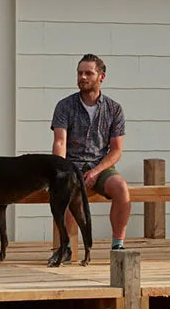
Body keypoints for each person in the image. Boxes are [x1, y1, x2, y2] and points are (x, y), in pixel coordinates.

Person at [51, 53, 131, 254]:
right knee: (67, 189)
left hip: (101, 165)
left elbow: (116, 150)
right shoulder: (65, 106)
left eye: (88, 73)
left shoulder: (114, 109)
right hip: (72, 165)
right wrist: (61, 172)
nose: (83, 77)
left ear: (101, 77)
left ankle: (118, 244)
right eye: (80, 73)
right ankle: (65, 247)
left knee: (121, 188)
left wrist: (96, 172)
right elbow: (60, 142)